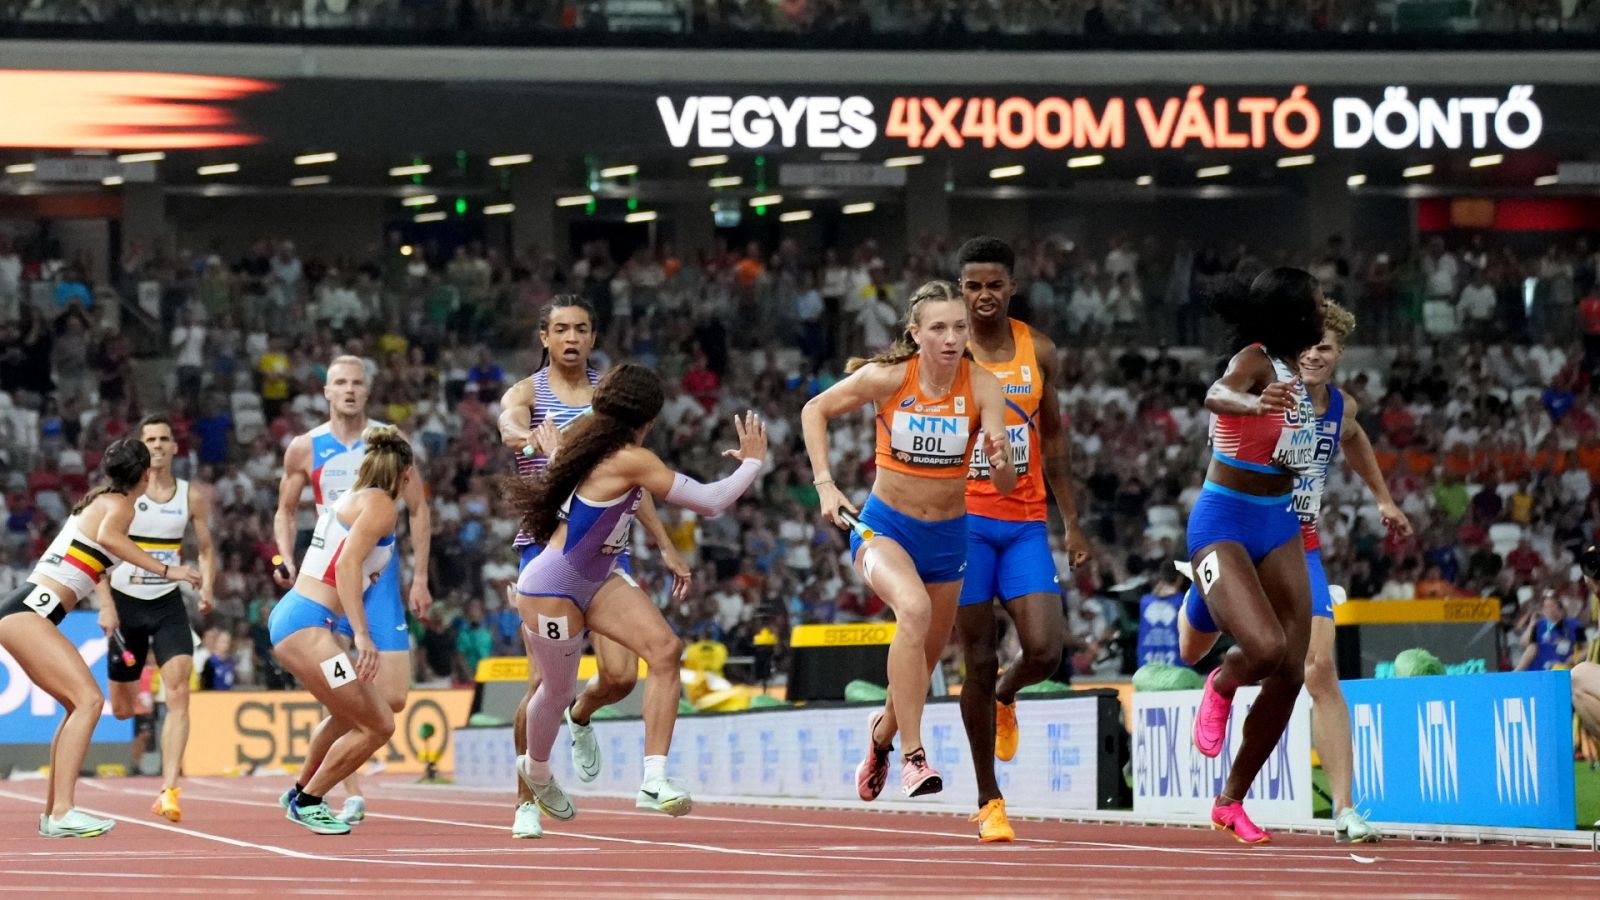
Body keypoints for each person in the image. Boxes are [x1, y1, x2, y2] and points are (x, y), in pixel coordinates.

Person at [1178, 302, 1408, 844]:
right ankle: (1205, 595)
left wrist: (1383, 498)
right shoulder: (1268, 379)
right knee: (1191, 650)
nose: (1314, 355)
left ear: (1339, 355)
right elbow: (1223, 401)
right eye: (1307, 345)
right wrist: (1250, 406)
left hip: (1295, 540)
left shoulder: (1339, 407)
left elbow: (1353, 438)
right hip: (1237, 527)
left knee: (1316, 666)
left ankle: (1345, 809)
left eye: (1325, 348)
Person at [508, 363, 765, 835]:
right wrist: (751, 461)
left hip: (599, 576)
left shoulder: (590, 439)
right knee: (557, 689)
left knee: (666, 651)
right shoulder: (628, 456)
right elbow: (710, 501)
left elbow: (624, 490)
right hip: (551, 587)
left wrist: (665, 546)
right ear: (648, 419)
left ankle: (653, 779)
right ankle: (538, 772)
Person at [801, 279, 1015, 801]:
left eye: (959, 327)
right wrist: (825, 484)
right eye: (938, 327)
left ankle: (881, 738)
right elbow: (815, 410)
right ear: (915, 333)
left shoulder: (983, 385)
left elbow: (1004, 483)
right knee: (913, 614)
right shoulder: (891, 377)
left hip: (947, 539)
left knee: (921, 660)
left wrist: (1002, 458)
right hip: (884, 529)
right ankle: (915, 759)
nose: (950, 337)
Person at [496, 296, 692, 839]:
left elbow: (633, 478)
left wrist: (665, 544)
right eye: (561, 329)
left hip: (609, 549)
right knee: (541, 685)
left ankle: (581, 715)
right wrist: (526, 436)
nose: (571, 338)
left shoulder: (612, 396)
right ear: (545, 338)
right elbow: (508, 422)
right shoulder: (528, 393)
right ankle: (527, 799)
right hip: (547, 549)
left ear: (593, 337)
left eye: (581, 328)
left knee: (623, 676)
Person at [953, 237, 1092, 842]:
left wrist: (1073, 522)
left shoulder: (1039, 350)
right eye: (972, 286)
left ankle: (1009, 695)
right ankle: (989, 800)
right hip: (962, 527)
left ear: (1012, 287)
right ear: (960, 289)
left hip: (1026, 520)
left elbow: (1055, 442)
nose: (984, 296)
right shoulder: (944, 351)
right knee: (977, 659)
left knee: (1045, 649)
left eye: (994, 285)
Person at [1182, 267, 1325, 844]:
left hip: (1280, 521)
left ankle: (1231, 799)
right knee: (1262, 649)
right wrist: (1248, 404)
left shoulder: (1298, 370)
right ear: (1295, 311)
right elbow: (1216, 393)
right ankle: (1219, 684)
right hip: (1224, 519)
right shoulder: (1257, 359)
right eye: (1315, 301)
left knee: (1292, 666)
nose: (1322, 308)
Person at [0, 439, 201, 837]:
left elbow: (100, 553)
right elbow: (111, 539)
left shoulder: (102, 500)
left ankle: (52, 814)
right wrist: (168, 571)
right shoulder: (120, 505)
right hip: (28, 614)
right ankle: (62, 812)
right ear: (145, 475)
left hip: (24, 611)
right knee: (90, 701)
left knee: (77, 704)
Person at [273, 356, 432, 824]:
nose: (348, 390)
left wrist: (413, 576)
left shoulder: (358, 497)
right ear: (403, 474)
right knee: (376, 719)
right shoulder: (376, 504)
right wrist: (361, 634)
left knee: (371, 702)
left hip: (306, 611)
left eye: (357, 383)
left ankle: (302, 790)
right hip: (315, 616)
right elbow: (345, 564)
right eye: (339, 382)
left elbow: (355, 558)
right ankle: (312, 799)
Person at [95, 415, 217, 824]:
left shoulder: (190, 496)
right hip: (126, 602)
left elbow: (205, 548)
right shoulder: (120, 496)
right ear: (142, 447)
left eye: (166, 439)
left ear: (176, 447)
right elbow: (95, 554)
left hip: (167, 603)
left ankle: (169, 789)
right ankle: (139, 713)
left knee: (179, 688)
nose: (160, 445)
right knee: (124, 710)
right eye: (151, 439)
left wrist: (209, 586)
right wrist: (106, 604)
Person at [1516, 590, 1584, 671]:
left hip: (1561, 670)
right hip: (1539, 670)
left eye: (1552, 605)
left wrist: (1574, 658)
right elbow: (1524, 643)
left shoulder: (1574, 625)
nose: (1549, 609)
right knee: (1532, 647)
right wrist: (1531, 624)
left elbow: (1586, 648)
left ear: (1560, 607)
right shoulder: (1539, 624)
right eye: (1546, 606)